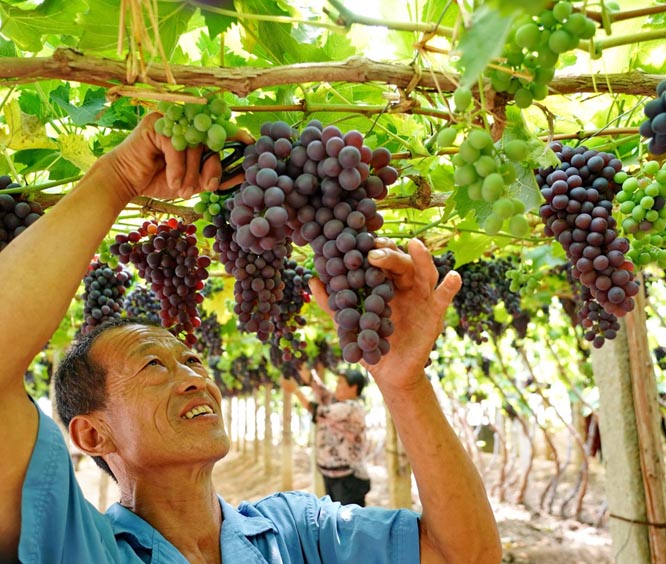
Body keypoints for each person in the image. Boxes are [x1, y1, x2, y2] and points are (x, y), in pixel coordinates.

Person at [0, 113, 502, 563]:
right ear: (92, 435)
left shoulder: (297, 532)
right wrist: (118, 178)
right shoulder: (80, 548)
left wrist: (405, 384)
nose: (195, 378)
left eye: (193, 360)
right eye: (153, 365)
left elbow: (468, 554)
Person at [283, 365, 371, 507]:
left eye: (340, 383)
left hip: (349, 479)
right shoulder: (339, 402)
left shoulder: (351, 408)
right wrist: (305, 371)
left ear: (353, 387)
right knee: (337, 520)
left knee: (349, 523)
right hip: (333, 475)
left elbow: (318, 412)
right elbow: (323, 392)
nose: (336, 386)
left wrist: (296, 391)